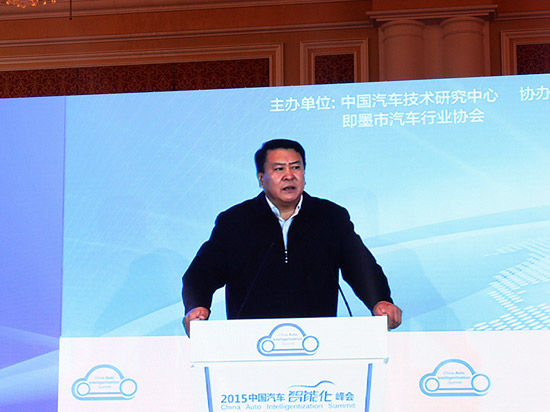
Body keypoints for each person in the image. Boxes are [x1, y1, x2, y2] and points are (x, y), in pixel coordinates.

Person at [182, 139, 401, 334]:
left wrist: (379, 300)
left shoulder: (330, 217)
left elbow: (360, 266)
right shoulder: (236, 221)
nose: (289, 175)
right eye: (279, 169)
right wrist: (196, 306)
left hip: (319, 339)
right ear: (261, 178)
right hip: (250, 341)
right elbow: (202, 272)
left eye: (296, 167)